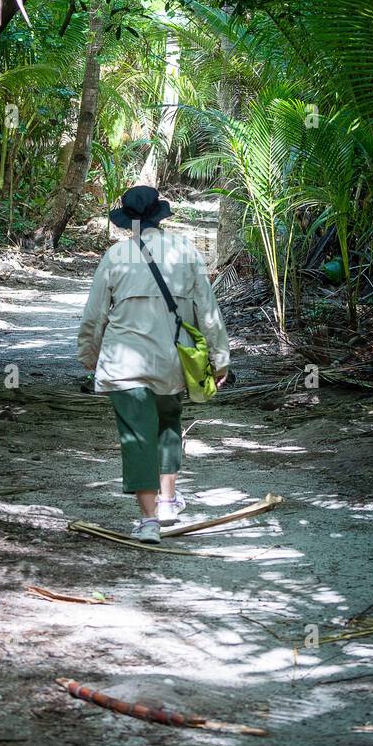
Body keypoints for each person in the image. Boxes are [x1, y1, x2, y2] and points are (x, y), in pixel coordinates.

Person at [77, 185, 230, 542]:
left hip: (122, 363)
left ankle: (148, 521)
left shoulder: (115, 256)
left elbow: (94, 316)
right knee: (168, 423)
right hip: (171, 360)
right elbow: (208, 312)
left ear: (127, 220)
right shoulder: (184, 250)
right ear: (160, 215)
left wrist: (89, 356)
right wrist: (219, 360)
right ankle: (168, 501)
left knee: (136, 436)